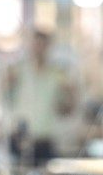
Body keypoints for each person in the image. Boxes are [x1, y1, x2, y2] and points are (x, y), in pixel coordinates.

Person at [9, 30, 74, 165]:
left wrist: (70, 96)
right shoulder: (18, 71)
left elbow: (67, 109)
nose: (38, 48)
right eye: (36, 44)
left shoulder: (57, 74)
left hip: (45, 140)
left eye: (42, 45)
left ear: (48, 47)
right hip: (21, 140)